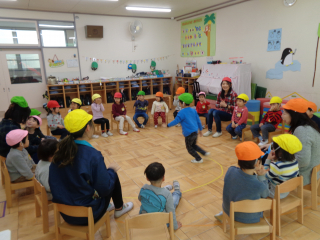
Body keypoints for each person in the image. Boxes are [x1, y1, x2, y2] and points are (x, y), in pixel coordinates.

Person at [49, 109, 133, 225]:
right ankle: (119, 208)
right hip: (88, 215)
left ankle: (110, 205)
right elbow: (105, 188)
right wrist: (110, 172)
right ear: (88, 128)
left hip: (65, 214)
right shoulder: (93, 155)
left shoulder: (59, 151)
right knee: (112, 174)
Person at [222, 141, 269, 223]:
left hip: (228, 211)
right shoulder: (258, 185)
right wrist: (262, 177)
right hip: (249, 218)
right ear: (257, 163)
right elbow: (266, 194)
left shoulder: (230, 170)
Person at [279, 98, 320, 186]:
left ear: (294, 115)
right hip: (312, 170)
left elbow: (303, 161)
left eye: (285, 113)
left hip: (305, 174)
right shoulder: (306, 125)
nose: (282, 116)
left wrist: (282, 160)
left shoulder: (302, 130)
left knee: (271, 164)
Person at [168, 93, 210, 163]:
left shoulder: (181, 112)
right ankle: (204, 153)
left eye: (180, 102)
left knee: (189, 148)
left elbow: (176, 121)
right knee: (194, 145)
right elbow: (198, 121)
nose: (179, 104)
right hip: (195, 132)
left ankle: (198, 159)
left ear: (183, 103)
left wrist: (168, 125)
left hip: (188, 134)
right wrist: (200, 130)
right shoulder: (193, 110)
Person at [139, 162, 182, 230]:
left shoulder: (144, 188)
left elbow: (140, 199)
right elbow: (171, 212)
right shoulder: (167, 194)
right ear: (163, 178)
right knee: (173, 204)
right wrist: (174, 226)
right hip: (162, 223)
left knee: (162, 194)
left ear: (147, 178)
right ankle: (177, 191)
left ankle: (166, 188)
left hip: (144, 220)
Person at [258, 134, 301, 199]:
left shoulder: (277, 166)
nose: (273, 149)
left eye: (273, 147)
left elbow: (265, 175)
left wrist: (268, 159)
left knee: (259, 175)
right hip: (286, 192)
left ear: (280, 151)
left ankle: (262, 197)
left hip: (274, 193)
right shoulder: (295, 161)